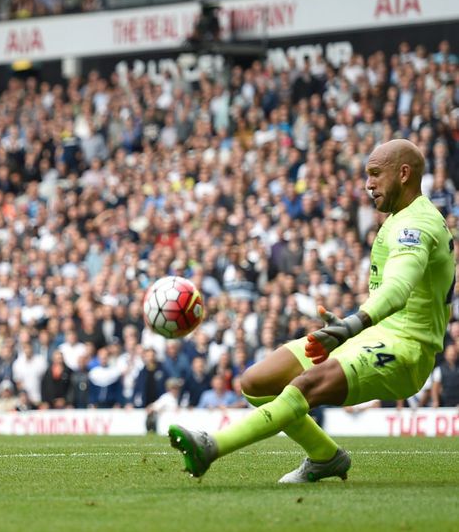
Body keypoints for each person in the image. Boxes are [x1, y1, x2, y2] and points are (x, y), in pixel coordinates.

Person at [168, 139, 456, 483]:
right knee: (257, 383)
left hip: (405, 350)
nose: (369, 184)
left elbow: (397, 290)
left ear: (404, 173)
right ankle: (325, 457)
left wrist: (351, 325)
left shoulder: (416, 226)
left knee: (304, 387)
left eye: (376, 174)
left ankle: (210, 447)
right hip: (370, 335)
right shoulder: (400, 218)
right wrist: (352, 327)